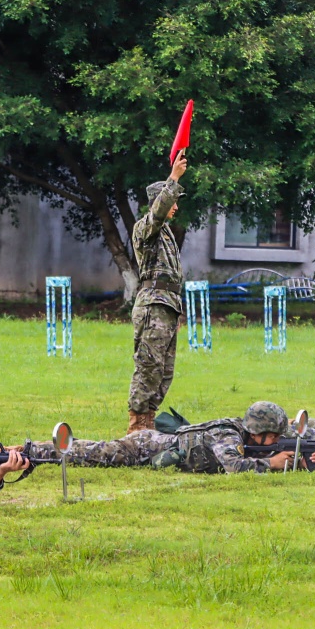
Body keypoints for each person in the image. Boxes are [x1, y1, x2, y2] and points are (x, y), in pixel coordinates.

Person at [21, 402, 315, 473]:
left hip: (156, 444)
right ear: (258, 432)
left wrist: (300, 462)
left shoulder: (247, 438)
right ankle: (34, 450)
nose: (274, 442)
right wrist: (272, 465)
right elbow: (233, 465)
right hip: (144, 446)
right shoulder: (228, 434)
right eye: (272, 437)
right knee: (93, 453)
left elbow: (254, 454)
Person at [127, 150, 189, 434]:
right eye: (173, 200)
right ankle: (137, 426)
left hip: (167, 306)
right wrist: (173, 178)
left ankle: (149, 421)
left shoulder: (167, 235)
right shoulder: (147, 228)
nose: (176, 206)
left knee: (164, 371)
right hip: (152, 306)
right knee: (148, 366)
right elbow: (158, 212)